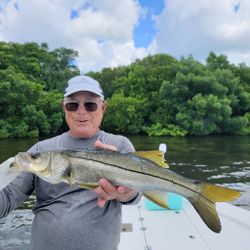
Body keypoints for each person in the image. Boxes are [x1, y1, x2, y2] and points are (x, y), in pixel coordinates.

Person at [0, 75, 140, 250]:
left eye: (90, 104)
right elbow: (6, 200)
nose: (81, 111)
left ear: (103, 107)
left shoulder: (119, 145)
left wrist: (125, 193)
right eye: (73, 105)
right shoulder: (40, 151)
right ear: (64, 108)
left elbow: (135, 196)